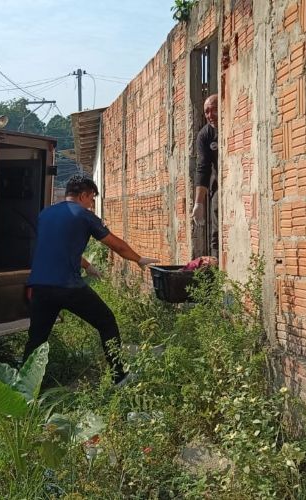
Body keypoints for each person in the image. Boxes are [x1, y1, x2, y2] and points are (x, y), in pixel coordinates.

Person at [23, 175, 159, 384]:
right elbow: (116, 245)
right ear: (83, 195)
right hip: (68, 286)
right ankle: (119, 377)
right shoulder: (85, 216)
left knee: (37, 338)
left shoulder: (45, 214)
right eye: (91, 198)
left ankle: (24, 386)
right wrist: (138, 259)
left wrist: (88, 266)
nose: (91, 203)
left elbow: (61, 247)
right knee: (106, 321)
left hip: (40, 286)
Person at [191, 94, 219, 257]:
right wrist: (198, 203)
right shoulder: (205, 135)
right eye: (206, 112)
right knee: (216, 234)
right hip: (218, 187)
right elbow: (202, 168)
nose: (210, 115)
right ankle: (217, 269)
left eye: (214, 109)